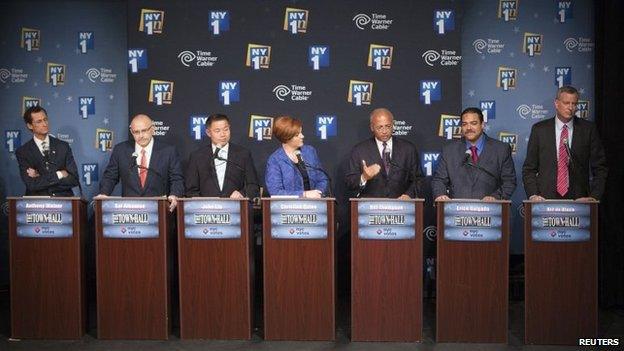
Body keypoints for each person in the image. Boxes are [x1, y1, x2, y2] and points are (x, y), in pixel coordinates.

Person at [522, 86, 608, 201]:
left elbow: (600, 168)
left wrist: (593, 197)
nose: (571, 107)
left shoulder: (588, 129)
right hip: (544, 199)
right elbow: (529, 169)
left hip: (579, 200)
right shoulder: (539, 130)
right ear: (556, 103)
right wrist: (533, 195)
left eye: (574, 104)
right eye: (566, 103)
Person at [97, 114, 184, 211]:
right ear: (131, 132)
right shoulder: (120, 150)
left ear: (152, 129)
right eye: (136, 132)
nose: (141, 136)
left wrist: (174, 195)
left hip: (159, 210)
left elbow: (177, 179)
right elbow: (110, 177)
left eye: (144, 131)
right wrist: (104, 194)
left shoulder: (168, 151)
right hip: (130, 211)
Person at [432, 107, 517, 201]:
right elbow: (439, 180)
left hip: (490, 211)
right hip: (456, 212)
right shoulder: (449, 150)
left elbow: (509, 181)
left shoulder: (501, 149)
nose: (468, 128)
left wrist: (495, 197)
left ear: (482, 125)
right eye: (465, 124)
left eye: (473, 123)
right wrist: (440, 194)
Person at [345, 108, 423, 198]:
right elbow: (349, 182)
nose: (384, 131)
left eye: (388, 126)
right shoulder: (359, 150)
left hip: (401, 207)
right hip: (370, 208)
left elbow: (418, 179)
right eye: (380, 127)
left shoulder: (408, 149)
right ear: (372, 127)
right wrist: (364, 177)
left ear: (393, 126)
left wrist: (409, 195)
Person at [185, 113, 259, 198]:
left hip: (236, 207)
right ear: (208, 132)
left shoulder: (243, 154)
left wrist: (242, 193)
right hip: (206, 209)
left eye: (226, 129)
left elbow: (253, 186)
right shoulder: (197, 157)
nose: (223, 134)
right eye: (217, 131)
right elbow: (191, 191)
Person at [15, 106, 79, 196]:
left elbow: (74, 179)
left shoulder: (63, 147)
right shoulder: (23, 152)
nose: (45, 124)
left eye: (45, 119)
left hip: (64, 202)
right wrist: (60, 174)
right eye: (39, 121)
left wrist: (40, 177)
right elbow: (31, 185)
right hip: (38, 204)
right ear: (30, 125)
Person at [265, 116, 329, 197]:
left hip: (314, 205)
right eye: (297, 135)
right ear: (286, 137)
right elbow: (276, 192)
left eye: (301, 132)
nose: (302, 136)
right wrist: (304, 194)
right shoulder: (275, 160)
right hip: (287, 207)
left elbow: (322, 179)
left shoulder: (310, 152)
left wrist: (319, 192)